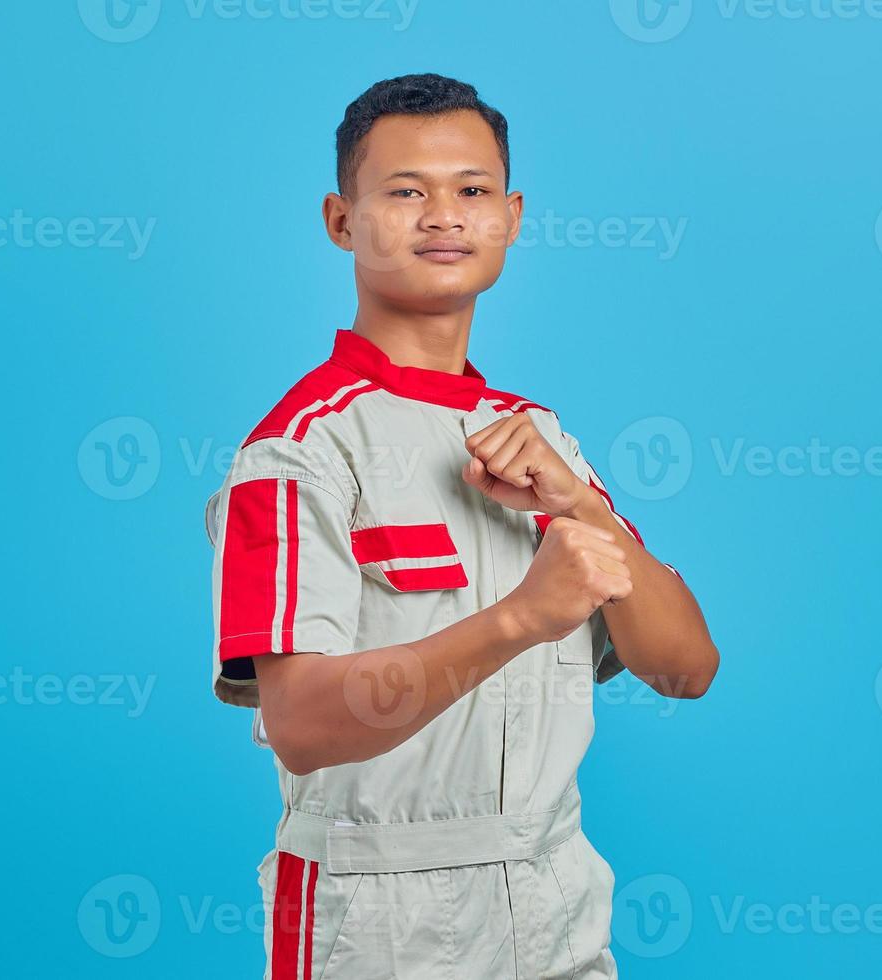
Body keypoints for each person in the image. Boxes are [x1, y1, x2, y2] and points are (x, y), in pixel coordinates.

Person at [205, 72, 720, 980]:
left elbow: (686, 670)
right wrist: (524, 616)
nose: (444, 215)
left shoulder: (542, 439)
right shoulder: (298, 454)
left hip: (555, 895)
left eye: (472, 190)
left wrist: (584, 509)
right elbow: (301, 724)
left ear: (513, 216)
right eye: (405, 192)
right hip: (375, 921)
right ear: (341, 219)